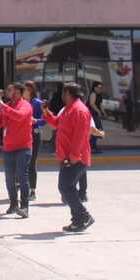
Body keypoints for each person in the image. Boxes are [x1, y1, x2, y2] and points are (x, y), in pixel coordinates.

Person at [44, 82, 95, 233]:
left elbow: (80, 136)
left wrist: (74, 156)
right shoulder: (68, 109)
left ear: (68, 93)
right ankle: (78, 220)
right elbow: (56, 124)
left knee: (65, 187)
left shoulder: (79, 110)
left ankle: (83, 216)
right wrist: (46, 113)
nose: (61, 95)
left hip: (75, 158)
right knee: (68, 188)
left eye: (63, 92)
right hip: (67, 157)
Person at [0, 83, 34, 219]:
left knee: (22, 176)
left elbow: (19, 116)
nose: (7, 92)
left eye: (10, 90)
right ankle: (13, 204)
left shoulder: (25, 105)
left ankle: (24, 207)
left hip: (23, 147)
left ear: (18, 91)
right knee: (9, 179)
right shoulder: (8, 105)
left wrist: (3, 106)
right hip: (8, 147)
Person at [24, 81, 45, 200]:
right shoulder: (21, 103)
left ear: (31, 90)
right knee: (21, 163)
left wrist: (36, 121)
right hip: (22, 135)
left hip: (34, 134)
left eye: (25, 89)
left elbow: (46, 118)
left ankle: (32, 190)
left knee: (31, 163)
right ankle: (22, 188)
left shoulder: (37, 103)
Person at [88, 82, 106, 153]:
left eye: (101, 88)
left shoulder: (100, 95)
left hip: (95, 115)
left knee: (97, 130)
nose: (100, 89)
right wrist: (98, 111)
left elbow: (100, 105)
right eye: (98, 87)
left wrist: (104, 112)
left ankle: (93, 147)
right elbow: (92, 103)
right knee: (95, 130)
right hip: (91, 114)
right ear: (94, 88)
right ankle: (92, 147)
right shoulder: (93, 94)